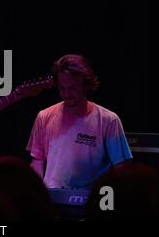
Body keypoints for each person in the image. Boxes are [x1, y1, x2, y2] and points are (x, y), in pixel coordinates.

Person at [26, 54, 133, 189]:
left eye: (72, 88)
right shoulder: (44, 116)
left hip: (90, 200)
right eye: (61, 88)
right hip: (53, 199)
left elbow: (121, 167)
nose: (66, 94)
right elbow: (37, 161)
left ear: (86, 85)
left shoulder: (108, 120)